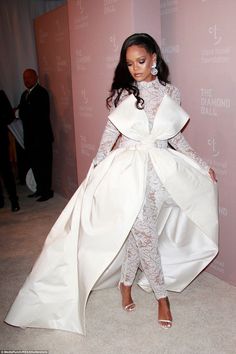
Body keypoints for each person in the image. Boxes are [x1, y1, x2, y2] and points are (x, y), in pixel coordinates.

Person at [5, 34, 218, 334]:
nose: (135, 68)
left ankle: (125, 283)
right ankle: (162, 298)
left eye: (141, 61)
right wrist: (95, 168)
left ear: (154, 58)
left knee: (138, 234)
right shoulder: (122, 94)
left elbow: (174, 136)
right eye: (129, 63)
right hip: (129, 172)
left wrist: (202, 164)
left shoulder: (172, 92)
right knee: (146, 236)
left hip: (159, 172)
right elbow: (109, 136)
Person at [18, 69, 54, 201]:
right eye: (24, 78)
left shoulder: (42, 93)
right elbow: (23, 113)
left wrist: (23, 112)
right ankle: (39, 189)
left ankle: (47, 192)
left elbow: (37, 114)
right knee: (35, 166)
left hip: (42, 138)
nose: (26, 80)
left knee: (44, 166)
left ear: (36, 78)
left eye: (29, 77)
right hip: (30, 138)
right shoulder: (24, 95)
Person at [0, 90, 20, 212]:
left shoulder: (1, 94)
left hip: (0, 141)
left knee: (6, 171)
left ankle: (14, 200)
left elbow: (10, 116)